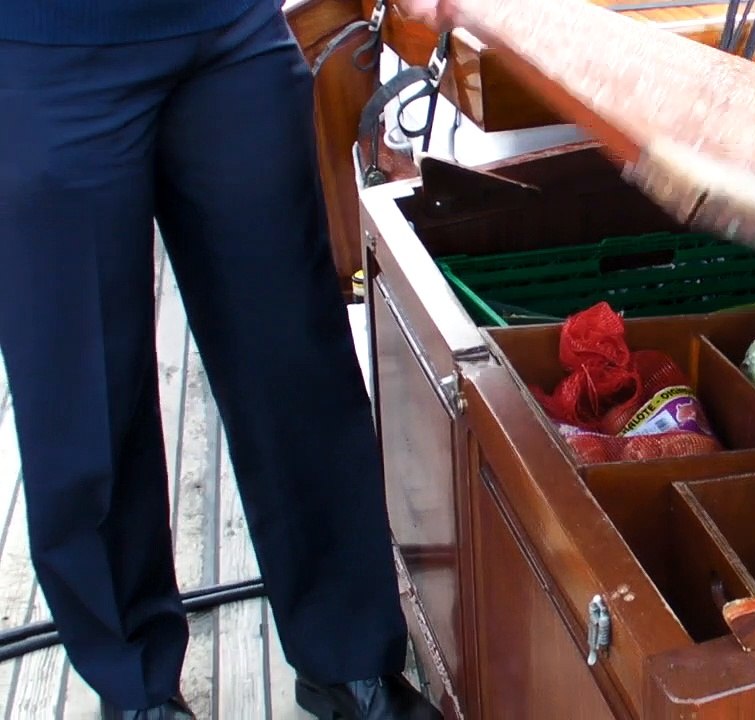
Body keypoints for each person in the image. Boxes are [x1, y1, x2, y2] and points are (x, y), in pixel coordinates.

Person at [0, 0, 441, 718]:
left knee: (294, 357)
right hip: (43, 46)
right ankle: (138, 689)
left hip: (225, 33)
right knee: (85, 399)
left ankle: (349, 659)